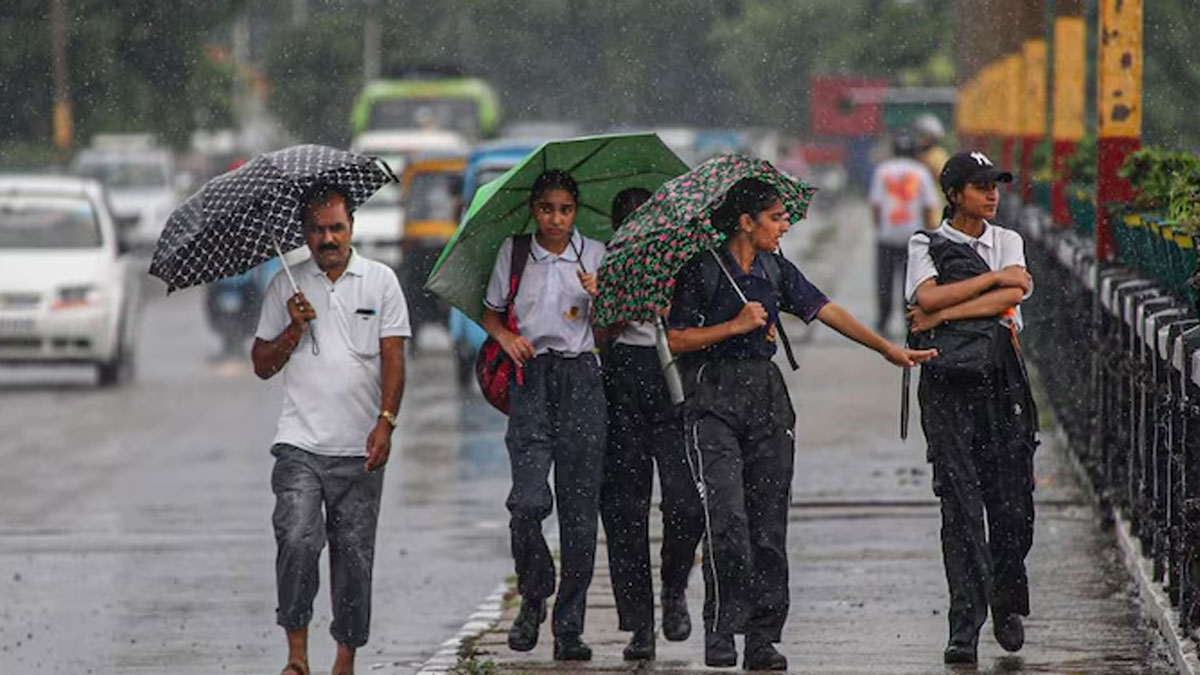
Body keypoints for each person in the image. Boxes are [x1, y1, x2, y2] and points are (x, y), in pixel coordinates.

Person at [668, 177, 936, 670]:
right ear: (746, 223)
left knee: (769, 524)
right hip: (713, 400)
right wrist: (733, 326)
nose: (784, 225)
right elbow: (678, 339)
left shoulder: (775, 267)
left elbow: (825, 308)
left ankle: (763, 638)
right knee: (727, 520)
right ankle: (722, 628)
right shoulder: (701, 270)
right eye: (774, 218)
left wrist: (886, 349)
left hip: (767, 399)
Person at [251, 184, 410, 675]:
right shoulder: (286, 285)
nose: (327, 238)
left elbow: (394, 359)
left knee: (354, 558)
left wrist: (385, 422)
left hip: (360, 449)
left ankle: (345, 658)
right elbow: (261, 364)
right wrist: (293, 329)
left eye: (336, 227)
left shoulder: (381, 282)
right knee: (297, 539)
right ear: (304, 233)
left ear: (351, 228)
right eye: (318, 229)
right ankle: (297, 656)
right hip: (299, 445)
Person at [904, 150, 1037, 665]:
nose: (992, 194)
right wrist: (991, 285)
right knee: (960, 505)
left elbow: (1016, 290)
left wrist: (951, 302)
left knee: (1012, 504)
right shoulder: (926, 243)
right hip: (948, 384)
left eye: (996, 185)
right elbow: (923, 298)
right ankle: (966, 624)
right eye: (980, 186)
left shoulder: (1008, 240)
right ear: (954, 194)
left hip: (1002, 381)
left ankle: (1008, 600)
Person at [481, 169, 607, 661]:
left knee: (579, 515)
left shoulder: (595, 254)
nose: (556, 219)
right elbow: (491, 312)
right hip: (530, 380)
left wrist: (604, 296)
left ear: (576, 211)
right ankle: (534, 593)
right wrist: (504, 337)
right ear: (533, 210)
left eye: (565, 209)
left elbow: (613, 329)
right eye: (546, 208)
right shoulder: (513, 254)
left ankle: (569, 626)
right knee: (527, 502)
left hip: (583, 382)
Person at [599, 187, 704, 661]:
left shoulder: (685, 263)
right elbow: (594, 336)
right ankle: (638, 623)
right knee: (624, 510)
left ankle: (674, 588)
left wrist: (671, 312)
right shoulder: (607, 265)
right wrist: (609, 310)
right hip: (622, 384)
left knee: (685, 503)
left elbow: (698, 327)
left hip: (674, 386)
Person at [867, 130, 939, 335]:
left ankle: (883, 321)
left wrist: (879, 227)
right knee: (912, 283)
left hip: (888, 235)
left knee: (884, 280)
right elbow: (928, 205)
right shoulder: (921, 171)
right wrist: (929, 232)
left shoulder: (883, 170)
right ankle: (911, 323)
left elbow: (875, 204)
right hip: (913, 236)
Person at [913, 113, 951, 225]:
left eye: (922, 135)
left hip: (934, 211)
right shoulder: (920, 155)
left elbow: (942, 178)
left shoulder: (937, 155)